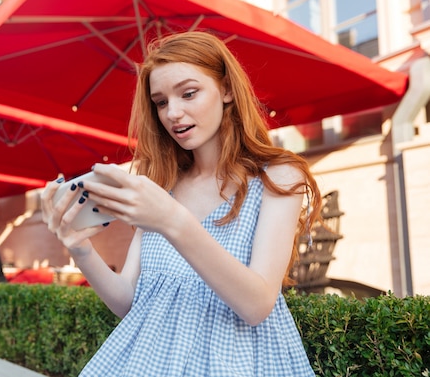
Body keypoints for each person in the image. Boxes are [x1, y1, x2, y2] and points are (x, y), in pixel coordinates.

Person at [41, 31, 320, 376]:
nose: (173, 112)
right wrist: (80, 247)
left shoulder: (277, 176)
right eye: (160, 102)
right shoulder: (161, 186)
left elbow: (257, 304)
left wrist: (173, 221)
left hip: (236, 364)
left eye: (189, 93)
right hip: (146, 362)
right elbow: (128, 300)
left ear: (227, 90)